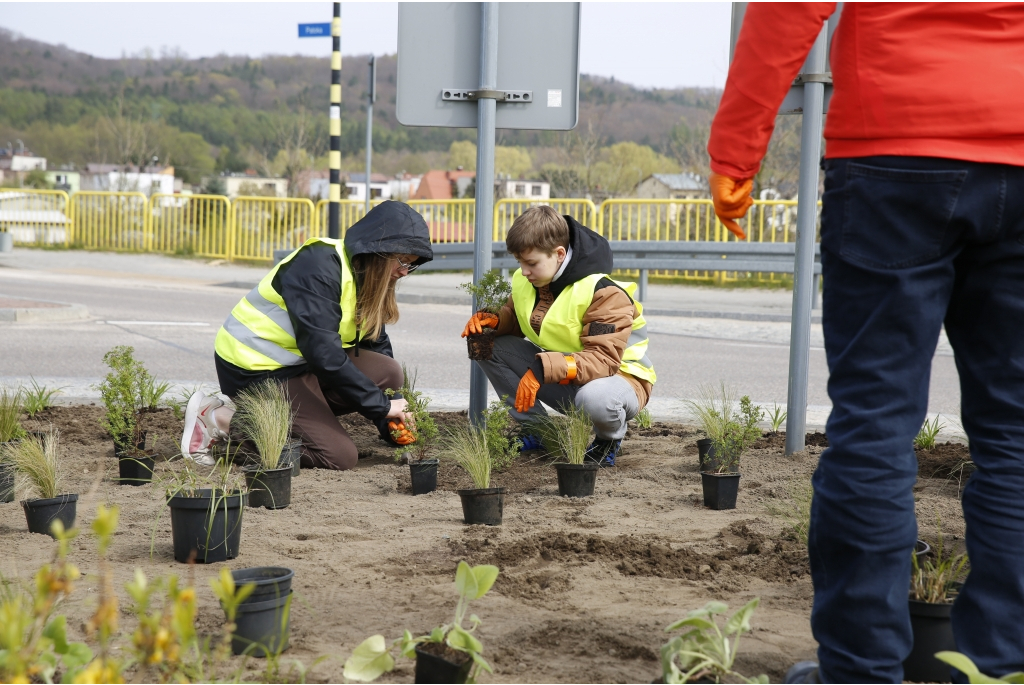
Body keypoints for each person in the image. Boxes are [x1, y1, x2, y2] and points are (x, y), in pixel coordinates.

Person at [708, 4, 1024, 682]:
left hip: (894, 147)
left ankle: (860, 671)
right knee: (1017, 436)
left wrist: (738, 145)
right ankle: (997, 670)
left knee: (875, 427)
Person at [180, 201, 431, 470]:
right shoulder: (317, 266)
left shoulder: (365, 275)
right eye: (403, 261)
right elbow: (324, 354)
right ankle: (219, 419)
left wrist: (390, 420)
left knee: (389, 371)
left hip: (303, 366)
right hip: (258, 370)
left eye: (412, 265)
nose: (405, 271)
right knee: (339, 456)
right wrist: (381, 406)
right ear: (378, 252)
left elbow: (375, 342)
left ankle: (300, 420)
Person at [462, 205, 656, 466]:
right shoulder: (528, 279)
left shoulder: (604, 292)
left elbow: (602, 360)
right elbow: (521, 316)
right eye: (519, 262)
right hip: (567, 376)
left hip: (618, 382)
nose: (524, 271)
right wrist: (495, 319)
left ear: (559, 254)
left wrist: (542, 369)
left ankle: (608, 440)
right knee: (484, 344)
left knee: (596, 399)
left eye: (531, 263)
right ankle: (538, 431)